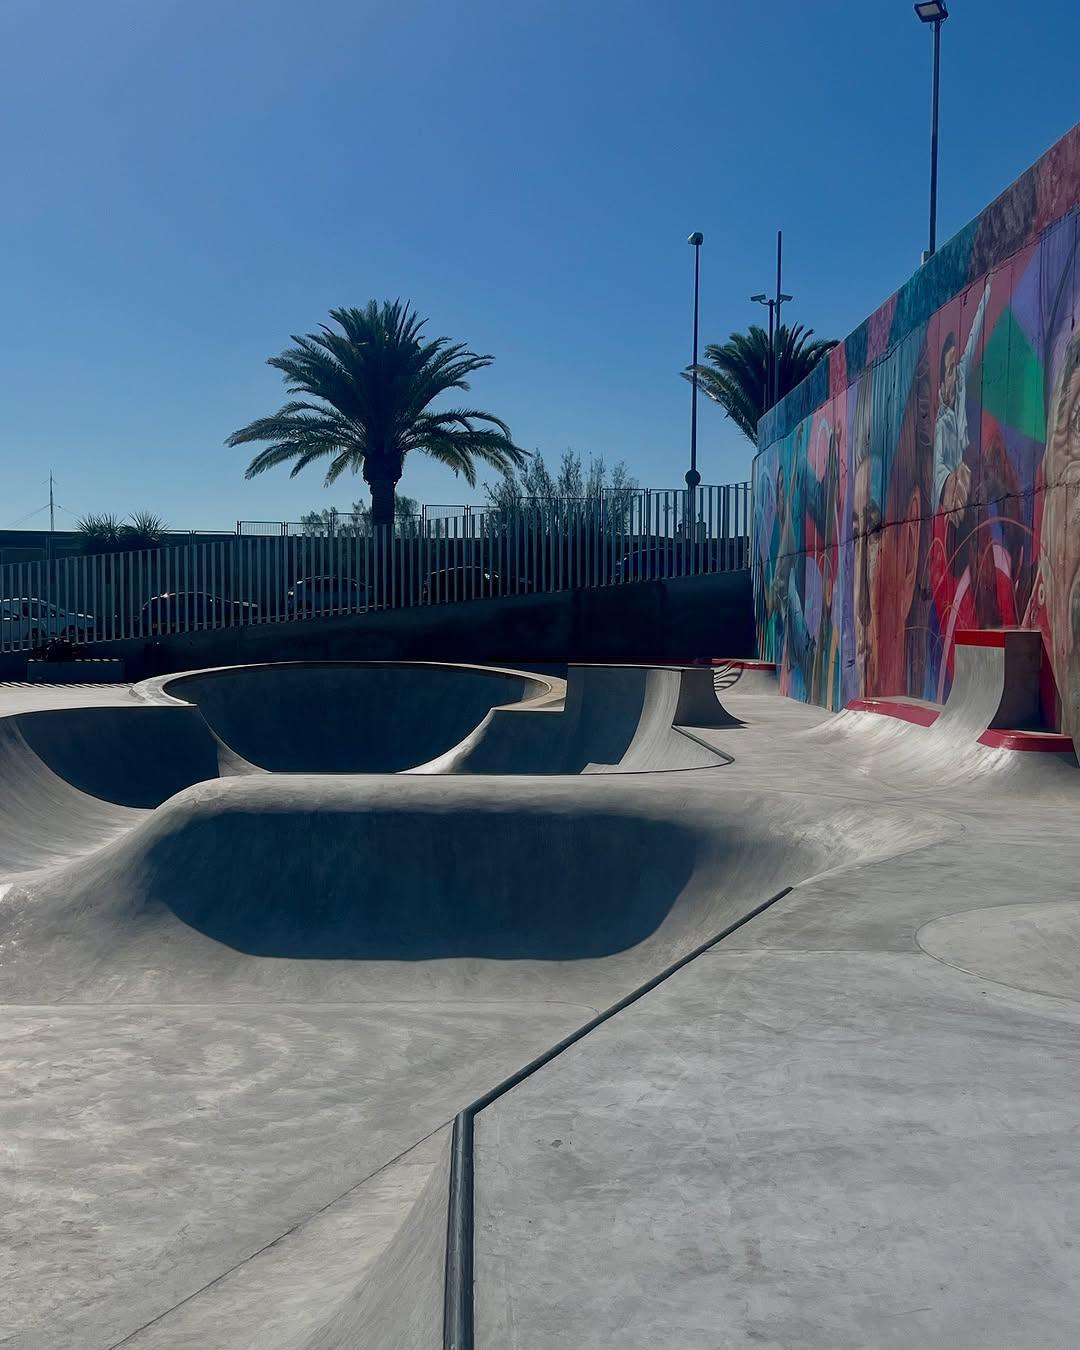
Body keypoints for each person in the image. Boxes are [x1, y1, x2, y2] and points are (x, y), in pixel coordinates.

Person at [933, 279, 991, 513]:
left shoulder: (960, 384)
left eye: (956, 368)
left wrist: (988, 288)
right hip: (956, 512)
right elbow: (938, 470)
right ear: (941, 382)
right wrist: (951, 483)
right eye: (950, 371)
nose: (955, 375)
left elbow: (974, 333)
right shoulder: (941, 425)